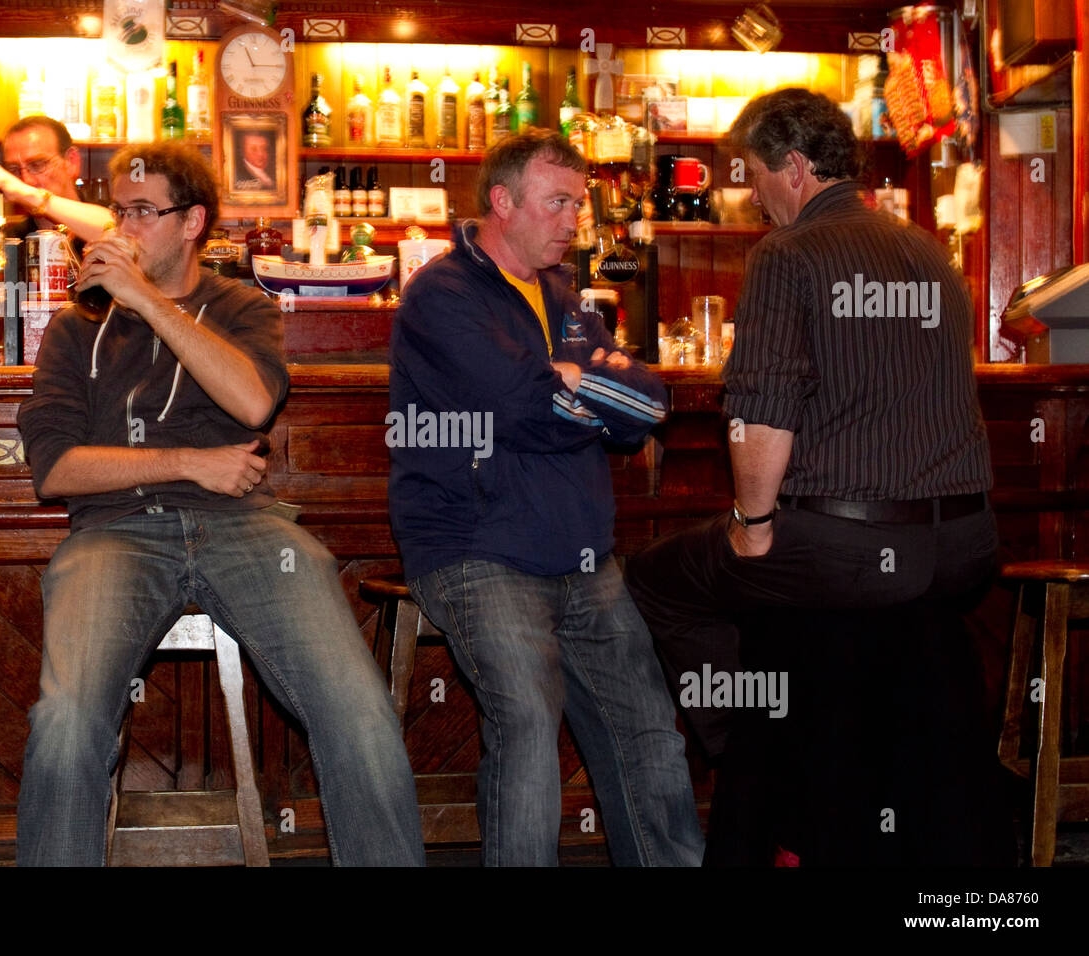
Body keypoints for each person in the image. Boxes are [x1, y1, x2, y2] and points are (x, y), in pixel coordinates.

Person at [15, 141, 424, 866]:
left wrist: (147, 300)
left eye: (143, 211)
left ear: (193, 220)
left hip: (247, 528)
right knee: (68, 720)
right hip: (117, 532)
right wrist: (188, 463)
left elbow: (254, 400)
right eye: (120, 210)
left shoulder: (241, 306)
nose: (122, 225)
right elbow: (55, 470)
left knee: (358, 711)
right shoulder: (76, 327)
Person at [623, 88, 1001, 865]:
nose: (752, 194)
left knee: (659, 579)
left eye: (756, 175)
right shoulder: (931, 251)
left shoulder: (789, 255)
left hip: (848, 556)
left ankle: (759, 756)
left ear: (794, 168)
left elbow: (760, 413)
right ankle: (798, 751)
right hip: (963, 548)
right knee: (792, 599)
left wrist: (753, 525)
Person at [388, 128, 703, 866]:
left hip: (581, 550)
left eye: (579, 203)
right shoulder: (441, 294)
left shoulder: (564, 293)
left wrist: (578, 382)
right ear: (503, 202)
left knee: (648, 725)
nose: (575, 220)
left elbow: (650, 407)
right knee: (529, 717)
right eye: (559, 202)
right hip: (476, 546)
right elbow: (522, 408)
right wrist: (578, 385)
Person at [0, 114, 114, 249]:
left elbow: (121, 235)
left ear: (71, 161)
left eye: (37, 165)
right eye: (14, 170)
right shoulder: (14, 241)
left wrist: (33, 196)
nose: (25, 180)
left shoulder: (109, 214)